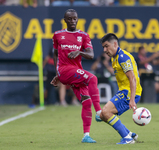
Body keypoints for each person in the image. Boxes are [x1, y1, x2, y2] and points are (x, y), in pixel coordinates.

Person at [51, 9, 102, 143]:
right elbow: (55, 54)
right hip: (64, 70)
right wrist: (58, 74)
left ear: (77, 19)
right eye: (70, 19)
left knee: (87, 102)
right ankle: (99, 112)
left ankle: (86, 135)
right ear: (65, 20)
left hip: (76, 71)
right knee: (93, 78)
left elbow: (91, 55)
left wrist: (79, 52)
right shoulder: (58, 35)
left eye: (75, 19)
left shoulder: (84, 36)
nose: (73, 21)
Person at [97, 33, 142, 144]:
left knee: (106, 112)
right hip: (124, 91)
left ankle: (127, 138)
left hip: (130, 92)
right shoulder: (114, 58)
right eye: (103, 47)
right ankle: (130, 134)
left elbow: (132, 79)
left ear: (115, 44)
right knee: (103, 115)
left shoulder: (122, 58)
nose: (105, 49)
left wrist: (132, 100)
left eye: (107, 46)